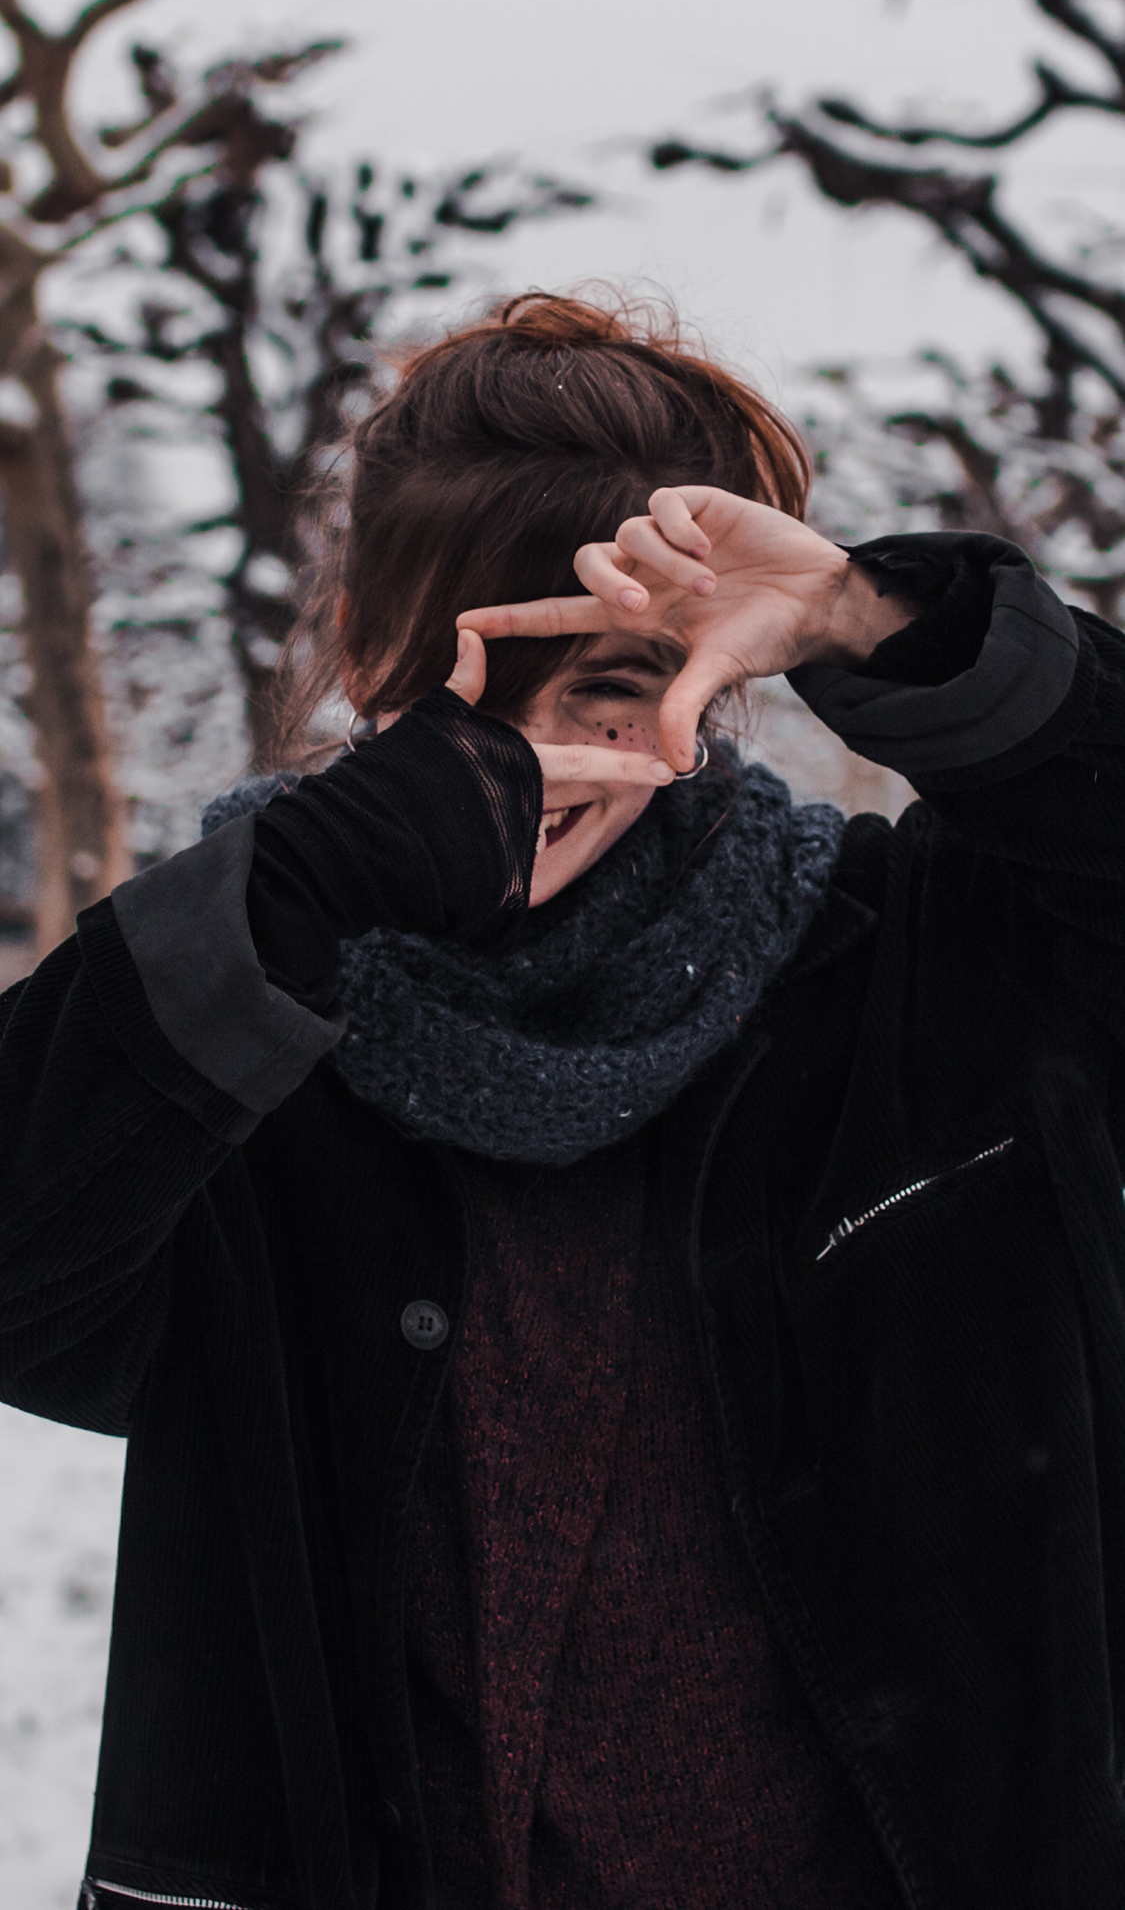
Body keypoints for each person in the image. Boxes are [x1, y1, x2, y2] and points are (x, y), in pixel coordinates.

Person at [0, 290, 1121, 1910]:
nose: (539, 756)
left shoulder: (920, 970)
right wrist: (295, 885)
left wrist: (886, 622)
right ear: (375, 677)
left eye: (601, 679)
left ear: (704, 678)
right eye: (469, 689)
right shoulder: (236, 1031)